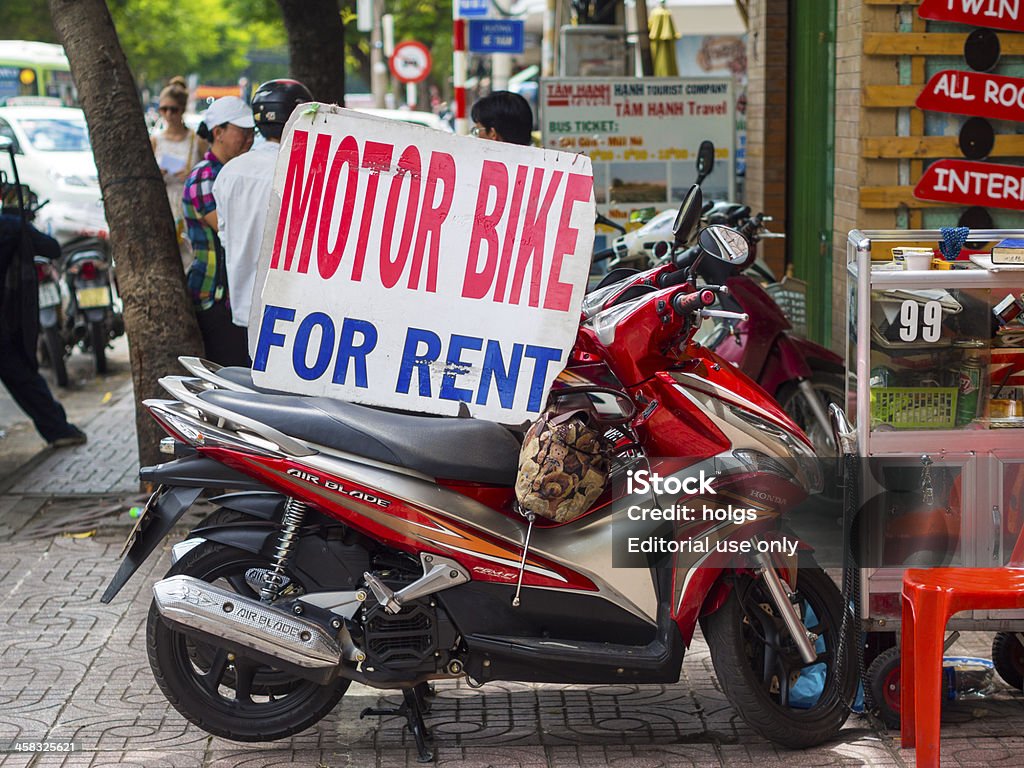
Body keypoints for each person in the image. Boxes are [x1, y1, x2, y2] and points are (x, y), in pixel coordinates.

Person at [213, 79, 313, 347]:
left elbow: (225, 236)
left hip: (246, 311)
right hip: (299, 315)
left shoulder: (228, 174)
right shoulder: (307, 173)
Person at [0, 211, 86, 447]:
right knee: (22, 377)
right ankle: (58, 429)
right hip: (7, 322)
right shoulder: (10, 225)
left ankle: (58, 429)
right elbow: (52, 248)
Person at [182, 96, 254, 367]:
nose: (248, 138)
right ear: (218, 133)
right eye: (242, 131)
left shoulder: (231, 172)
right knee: (228, 372)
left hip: (231, 296)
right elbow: (231, 231)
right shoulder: (206, 177)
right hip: (214, 296)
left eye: (251, 132)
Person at [150, 77, 206, 270]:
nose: (168, 114)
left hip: (188, 204)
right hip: (164, 202)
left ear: (182, 110)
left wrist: (191, 175)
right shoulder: (156, 140)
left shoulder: (195, 139)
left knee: (190, 256)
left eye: (173, 109)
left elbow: (207, 173)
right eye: (163, 109)